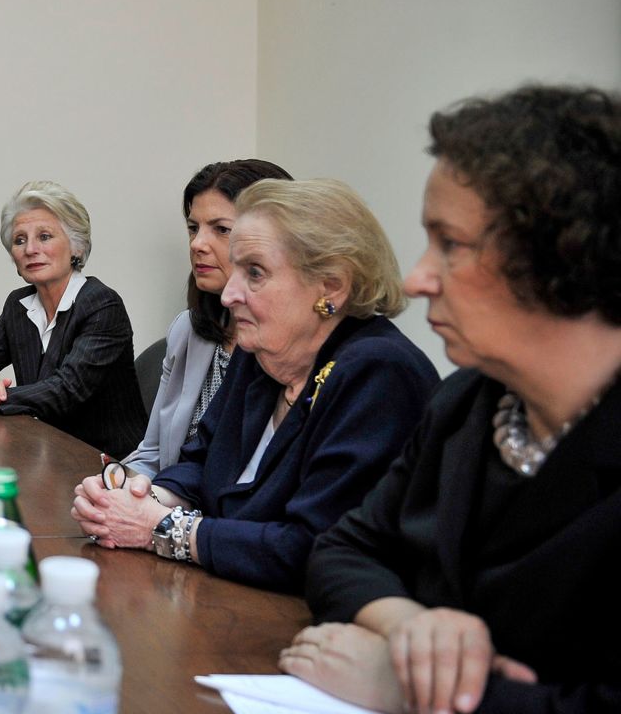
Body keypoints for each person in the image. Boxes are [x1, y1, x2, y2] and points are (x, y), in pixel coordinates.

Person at [280, 86, 621, 714]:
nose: (416, 277)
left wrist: (405, 686)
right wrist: (412, 628)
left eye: (450, 244)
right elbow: (342, 549)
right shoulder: (467, 400)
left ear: (562, 251)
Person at [72, 179, 439, 592]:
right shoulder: (261, 351)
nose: (228, 295)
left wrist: (163, 529)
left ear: (332, 286)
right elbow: (199, 460)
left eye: (255, 273)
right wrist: (144, 497)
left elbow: (313, 546)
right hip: (222, 595)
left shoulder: (380, 373)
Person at [0, 181, 148, 456]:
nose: (30, 249)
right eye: (20, 240)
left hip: (109, 463)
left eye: (44, 236)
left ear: (76, 247)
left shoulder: (101, 304)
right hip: (46, 451)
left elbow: (64, 392)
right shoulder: (18, 307)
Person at [121, 159, 292, 478]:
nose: (198, 244)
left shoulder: (283, 346)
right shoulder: (187, 328)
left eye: (221, 229)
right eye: (193, 228)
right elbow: (153, 453)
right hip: (171, 503)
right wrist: (117, 484)